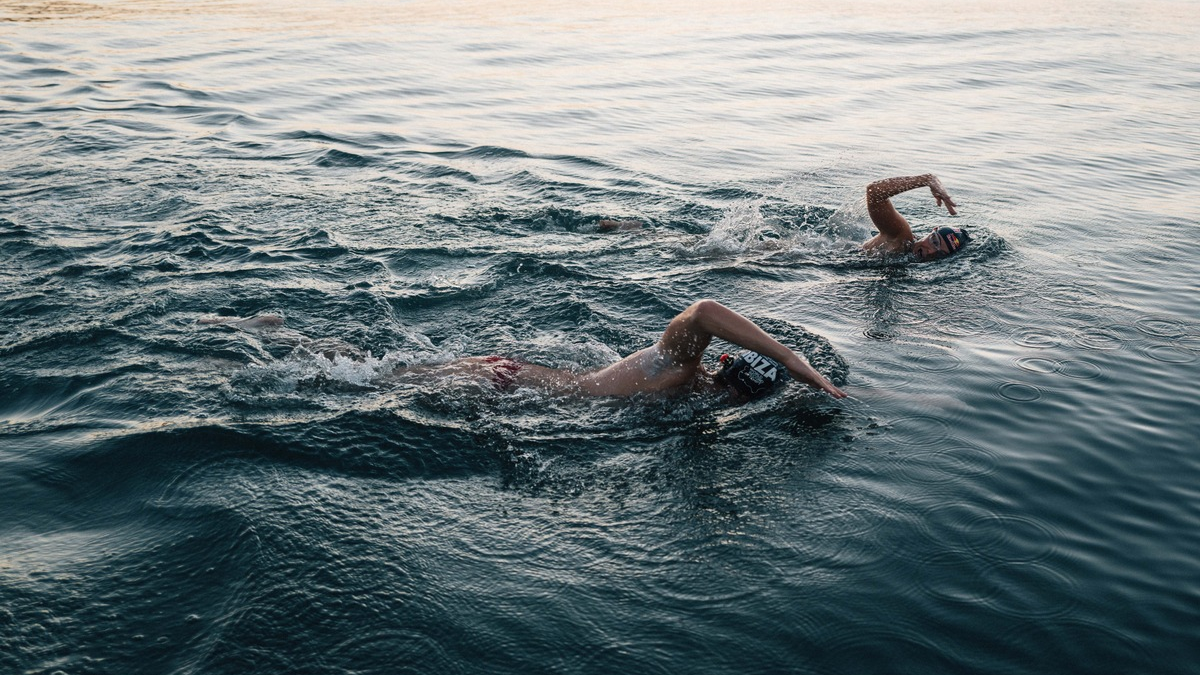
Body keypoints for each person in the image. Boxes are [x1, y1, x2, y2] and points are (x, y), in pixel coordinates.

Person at [208, 300, 846, 403]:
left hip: (513, 377)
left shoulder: (686, 383)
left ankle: (272, 332)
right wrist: (794, 361)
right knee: (362, 382)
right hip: (507, 385)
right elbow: (703, 312)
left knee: (373, 372)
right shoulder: (682, 373)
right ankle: (265, 337)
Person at [860, 173, 970, 261]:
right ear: (932, 231)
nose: (931, 251)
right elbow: (874, 191)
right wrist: (926, 180)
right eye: (934, 241)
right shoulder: (901, 238)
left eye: (940, 253)